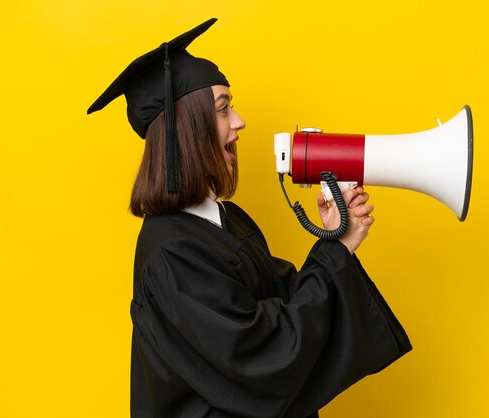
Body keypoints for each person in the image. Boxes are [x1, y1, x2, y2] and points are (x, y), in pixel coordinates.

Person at [88, 18, 411, 418]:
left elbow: (286, 299)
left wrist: (336, 239)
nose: (239, 122)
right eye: (224, 109)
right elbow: (263, 354)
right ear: (188, 129)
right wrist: (336, 252)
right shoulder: (172, 253)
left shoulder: (226, 219)